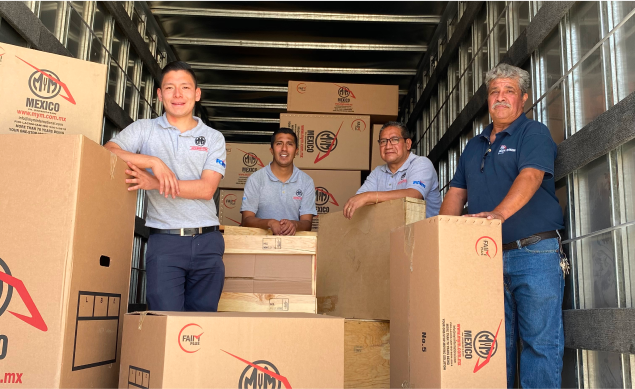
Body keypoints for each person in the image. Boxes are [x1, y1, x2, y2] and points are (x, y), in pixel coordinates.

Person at [439, 63, 566, 389]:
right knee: (495, 349)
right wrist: (440, 241)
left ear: (523, 98)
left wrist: (498, 214)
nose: (501, 97)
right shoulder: (474, 145)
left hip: (534, 251)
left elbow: (531, 176)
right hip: (486, 259)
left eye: (509, 91)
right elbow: (456, 193)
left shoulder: (533, 132)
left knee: (540, 344)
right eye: (494, 91)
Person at [104, 61, 226, 312]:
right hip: (166, 242)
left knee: (202, 324)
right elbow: (109, 151)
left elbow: (206, 189)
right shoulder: (144, 130)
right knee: (164, 320)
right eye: (170, 88)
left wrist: (154, 183)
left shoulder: (214, 138)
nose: (178, 95)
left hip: (208, 242)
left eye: (185, 87)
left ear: (197, 94)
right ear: (159, 94)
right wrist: (152, 161)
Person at [343, 121, 441, 219]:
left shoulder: (421, 163)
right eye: (383, 141)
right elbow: (358, 202)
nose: (388, 146)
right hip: (391, 231)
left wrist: (370, 197)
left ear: (408, 144)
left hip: (425, 231)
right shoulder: (378, 172)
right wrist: (365, 198)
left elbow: (414, 195)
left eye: (394, 139)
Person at [240, 127, 317, 235]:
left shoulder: (306, 181)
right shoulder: (256, 179)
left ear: (296, 151)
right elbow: (246, 220)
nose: (284, 148)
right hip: (260, 245)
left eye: (289, 144)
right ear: (271, 150)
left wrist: (294, 225)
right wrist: (270, 223)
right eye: (279, 143)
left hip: (293, 246)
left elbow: (307, 223)